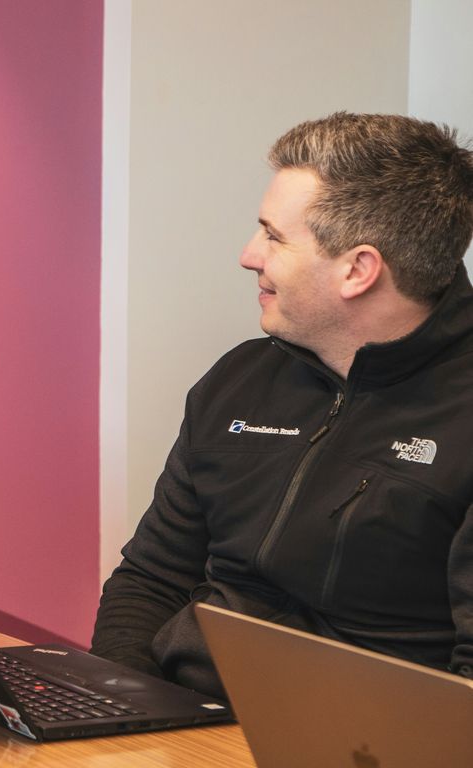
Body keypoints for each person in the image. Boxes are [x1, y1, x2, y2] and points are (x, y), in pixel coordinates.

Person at [91, 112, 473, 699]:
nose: (249, 255)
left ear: (358, 270)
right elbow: (151, 580)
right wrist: (119, 708)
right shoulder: (240, 378)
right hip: (184, 718)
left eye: (273, 235)